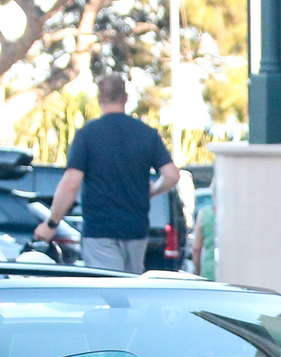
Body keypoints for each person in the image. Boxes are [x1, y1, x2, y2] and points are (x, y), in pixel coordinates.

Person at [40, 72, 180, 273]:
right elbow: (172, 175)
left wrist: (52, 223)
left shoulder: (87, 135)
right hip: (136, 230)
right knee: (131, 289)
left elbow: (71, 184)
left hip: (99, 230)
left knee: (109, 288)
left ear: (99, 99)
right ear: (126, 98)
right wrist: (153, 190)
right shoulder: (147, 134)